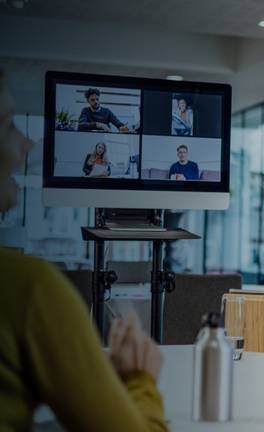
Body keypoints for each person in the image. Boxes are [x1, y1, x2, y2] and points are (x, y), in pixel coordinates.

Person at [0, 71, 167, 430]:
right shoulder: (26, 287)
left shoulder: (107, 116)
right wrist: (140, 378)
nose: (26, 145)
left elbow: (122, 127)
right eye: (9, 126)